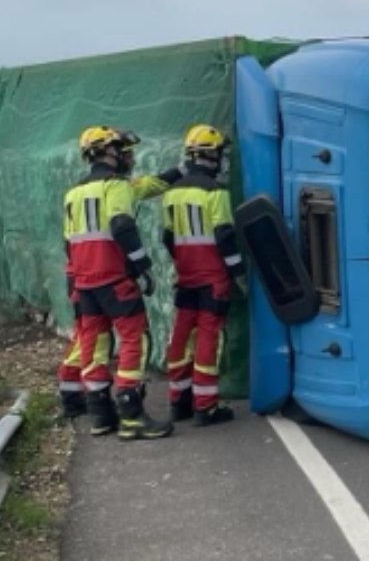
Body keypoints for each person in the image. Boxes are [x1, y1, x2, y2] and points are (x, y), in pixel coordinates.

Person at [57, 134, 182, 421]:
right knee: (135, 340)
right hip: (114, 277)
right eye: (125, 151)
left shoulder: (74, 193)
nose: (130, 156)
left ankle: (101, 415)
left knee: (94, 344)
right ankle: (131, 413)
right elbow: (122, 225)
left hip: (84, 281)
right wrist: (143, 265)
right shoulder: (116, 187)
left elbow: (68, 242)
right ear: (108, 153)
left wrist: (181, 172)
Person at [161, 124, 246, 426]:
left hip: (186, 276)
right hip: (213, 278)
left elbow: (168, 238)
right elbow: (224, 236)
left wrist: (183, 262)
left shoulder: (172, 193)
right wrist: (239, 273)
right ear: (213, 156)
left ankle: (178, 401)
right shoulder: (216, 193)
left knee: (182, 337)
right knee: (209, 339)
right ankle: (206, 406)